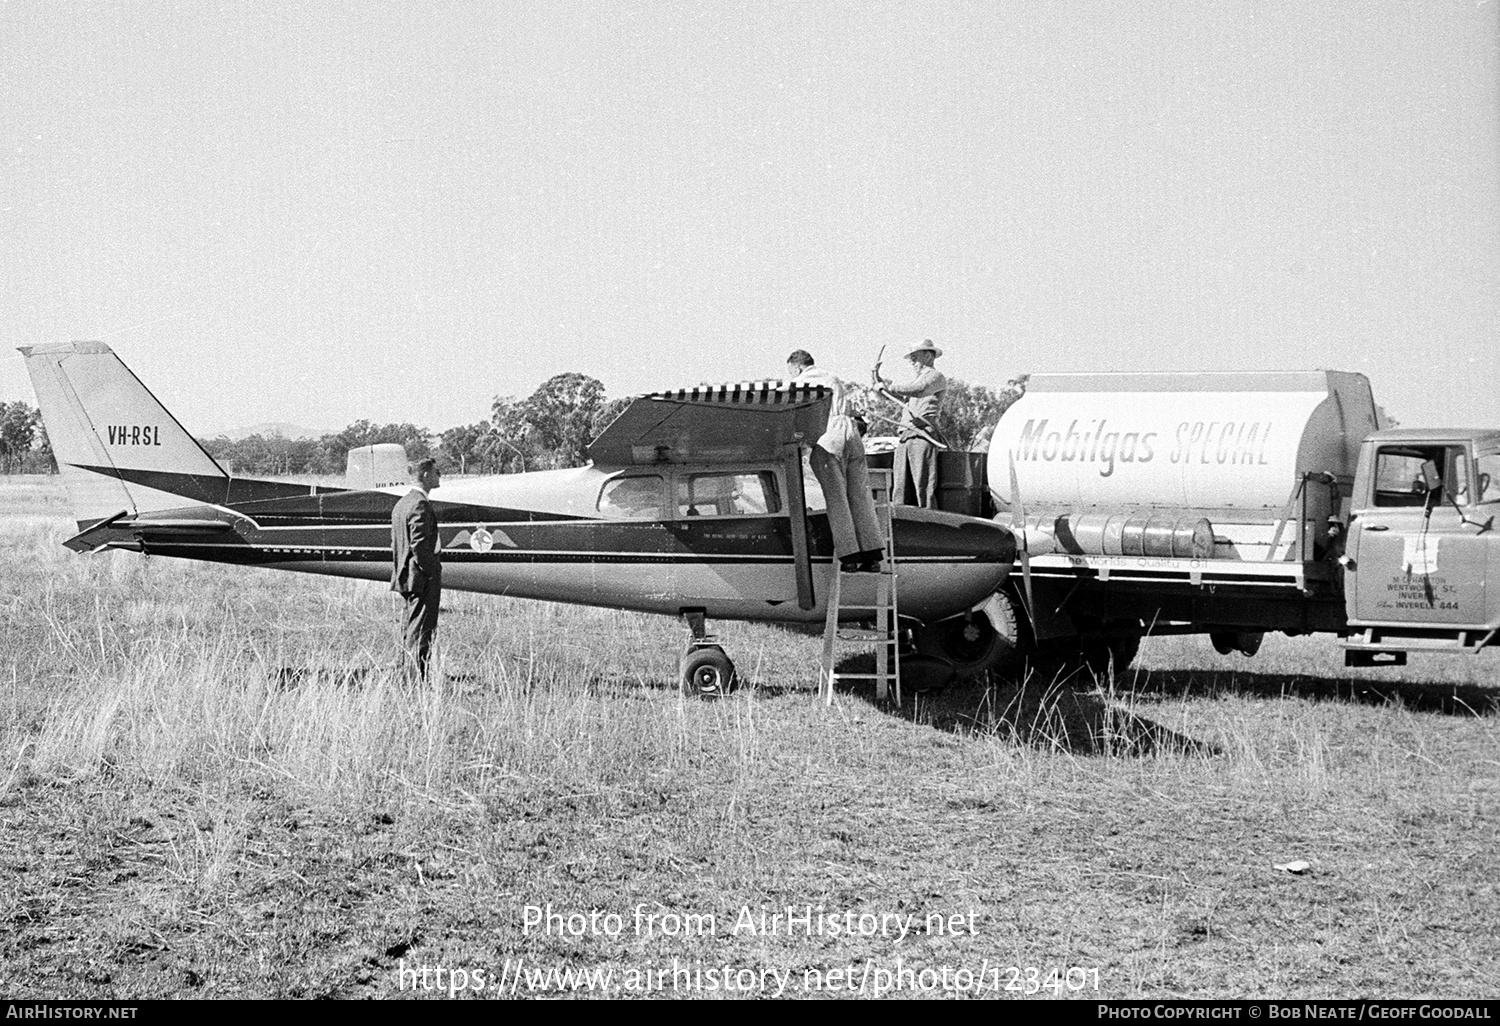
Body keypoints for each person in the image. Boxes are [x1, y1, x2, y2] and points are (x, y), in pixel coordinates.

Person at [786, 350, 885, 573]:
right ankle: (873, 556)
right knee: (860, 496)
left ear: (797, 367)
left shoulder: (800, 382)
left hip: (829, 436)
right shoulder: (833, 378)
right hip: (851, 434)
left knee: (837, 499)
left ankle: (849, 556)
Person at [877, 339, 947, 508]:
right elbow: (893, 395)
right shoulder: (916, 380)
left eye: (915, 357)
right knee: (900, 488)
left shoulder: (935, 377)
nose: (912, 361)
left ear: (929, 355)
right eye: (911, 358)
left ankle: (930, 526)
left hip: (922, 435)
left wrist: (889, 387)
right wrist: (880, 385)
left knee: (923, 488)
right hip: (906, 436)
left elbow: (919, 389)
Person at [391, 457, 442, 679]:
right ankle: (415, 678)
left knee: (411, 627)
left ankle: (407, 672)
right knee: (421, 629)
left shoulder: (402, 503)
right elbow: (419, 544)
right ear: (425, 475)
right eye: (437, 472)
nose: (440, 476)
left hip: (407, 576)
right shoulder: (420, 504)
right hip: (420, 578)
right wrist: (432, 571)